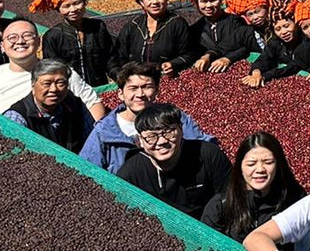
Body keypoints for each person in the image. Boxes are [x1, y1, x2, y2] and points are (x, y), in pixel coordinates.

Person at [80, 62, 214, 172]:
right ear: (120, 94)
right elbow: (87, 170)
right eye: (133, 88)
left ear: (156, 90)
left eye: (147, 87)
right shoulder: (104, 131)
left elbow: (204, 147)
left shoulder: (175, 118)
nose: (140, 94)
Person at [117, 102, 233, 219]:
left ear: (181, 130)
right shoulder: (131, 173)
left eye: (168, 132)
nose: (162, 141)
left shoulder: (208, 154)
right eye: (151, 136)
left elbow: (232, 198)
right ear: (140, 140)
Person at [0, 19, 105, 118]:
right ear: (2, 46)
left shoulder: (59, 73)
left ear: (38, 42)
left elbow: (93, 104)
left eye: (27, 35)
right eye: (12, 37)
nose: (20, 41)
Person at [202, 131, 305, 238]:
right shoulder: (221, 206)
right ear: (240, 167)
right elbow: (205, 245)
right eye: (251, 164)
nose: (260, 169)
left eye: (268, 162)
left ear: (278, 165)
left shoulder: (295, 201)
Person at [33, 0, 115, 86]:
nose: (73, 9)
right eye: (66, 6)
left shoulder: (98, 27)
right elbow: (52, 68)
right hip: (69, 91)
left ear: (84, 2)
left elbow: (110, 58)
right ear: (59, 9)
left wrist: (119, 76)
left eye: (77, 3)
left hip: (99, 86)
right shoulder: (53, 36)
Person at [3, 59, 97, 151]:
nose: (53, 89)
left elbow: (93, 142)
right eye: (47, 83)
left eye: (60, 83)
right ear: (33, 84)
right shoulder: (17, 117)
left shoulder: (75, 105)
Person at [112, 0, 194, 76]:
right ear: (141, 2)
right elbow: (119, 56)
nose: (155, 2)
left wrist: (173, 64)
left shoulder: (177, 24)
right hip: (139, 82)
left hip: (168, 80)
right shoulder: (133, 26)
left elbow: (189, 54)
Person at [184, 0, 254, 73]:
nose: (208, 5)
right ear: (196, 3)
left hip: (237, 69)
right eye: (204, 1)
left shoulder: (235, 21)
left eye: (213, 0)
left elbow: (247, 46)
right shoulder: (195, 29)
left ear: (221, 0)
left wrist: (227, 59)